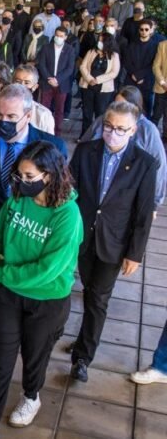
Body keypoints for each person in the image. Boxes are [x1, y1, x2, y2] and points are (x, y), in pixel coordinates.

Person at [0, 141, 82, 438]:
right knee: (0, 358)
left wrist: (2, 273)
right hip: (8, 293)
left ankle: (31, 395)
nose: (22, 182)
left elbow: (49, 268)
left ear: (49, 175)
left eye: (29, 176)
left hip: (46, 299)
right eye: (19, 175)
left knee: (35, 356)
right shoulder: (16, 200)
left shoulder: (67, 215)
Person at [0, 84, 68, 378]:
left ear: (29, 114)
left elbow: (59, 197)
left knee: (27, 316)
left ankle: (29, 376)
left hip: (29, 244)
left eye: (12, 116)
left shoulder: (53, 147)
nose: (4, 122)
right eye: (0, 115)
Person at [69, 101, 157, 384]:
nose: (113, 133)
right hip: (81, 236)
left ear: (133, 130)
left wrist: (135, 253)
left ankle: (83, 357)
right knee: (83, 288)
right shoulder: (86, 151)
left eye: (121, 129)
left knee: (98, 299)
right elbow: (69, 191)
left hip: (114, 242)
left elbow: (143, 214)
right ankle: (79, 335)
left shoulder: (145, 163)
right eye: (109, 127)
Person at [80, 86, 167, 207]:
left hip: (128, 193)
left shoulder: (148, 130)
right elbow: (83, 148)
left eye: (124, 106)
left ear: (136, 108)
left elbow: (159, 165)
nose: (119, 109)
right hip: (95, 187)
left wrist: (154, 203)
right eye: (116, 104)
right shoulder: (102, 120)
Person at [0, 64, 56, 134]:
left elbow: (49, 144)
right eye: (18, 82)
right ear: (12, 83)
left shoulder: (43, 115)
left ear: (35, 87)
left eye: (27, 83)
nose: (21, 86)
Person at [38, 27, 76, 137]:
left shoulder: (69, 49)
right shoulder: (46, 48)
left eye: (61, 36)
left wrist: (57, 79)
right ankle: (43, 130)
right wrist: (49, 78)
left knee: (59, 109)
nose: (58, 38)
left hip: (61, 84)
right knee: (44, 108)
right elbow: (42, 64)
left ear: (65, 37)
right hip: (47, 82)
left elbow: (70, 68)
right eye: (57, 35)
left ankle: (57, 132)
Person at [79, 32, 120, 135]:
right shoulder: (91, 52)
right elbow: (82, 66)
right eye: (99, 40)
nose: (99, 42)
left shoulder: (114, 56)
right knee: (87, 112)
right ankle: (85, 134)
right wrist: (89, 79)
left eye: (101, 41)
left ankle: (99, 134)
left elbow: (114, 72)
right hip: (88, 86)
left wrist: (97, 80)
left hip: (104, 89)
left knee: (100, 113)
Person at [123, 19, 159, 119]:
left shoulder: (155, 46)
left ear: (151, 30)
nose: (144, 31)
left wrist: (139, 76)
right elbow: (126, 61)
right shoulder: (131, 44)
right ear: (139, 30)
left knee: (146, 110)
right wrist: (134, 75)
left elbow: (154, 64)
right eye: (141, 29)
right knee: (128, 108)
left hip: (147, 80)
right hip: (131, 79)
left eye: (146, 29)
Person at [153, 39, 167, 142]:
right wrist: (162, 82)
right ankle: (151, 137)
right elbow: (156, 66)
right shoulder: (162, 45)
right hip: (162, 86)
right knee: (156, 114)